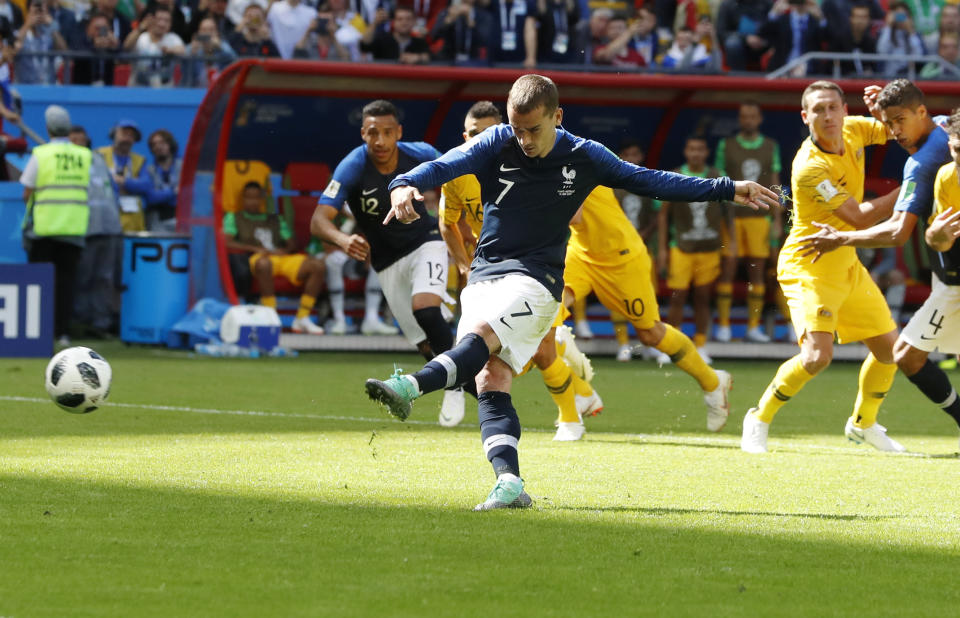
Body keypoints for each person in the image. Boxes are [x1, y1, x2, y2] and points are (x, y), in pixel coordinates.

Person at [365, 74, 776, 510]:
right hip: (485, 275)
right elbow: (443, 165)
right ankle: (509, 483)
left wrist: (728, 187)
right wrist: (403, 184)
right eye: (516, 128)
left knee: (480, 339)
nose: (522, 139)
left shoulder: (584, 155)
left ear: (557, 118)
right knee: (491, 379)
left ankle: (409, 386)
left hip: (537, 281)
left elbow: (650, 180)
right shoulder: (497, 141)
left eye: (533, 129)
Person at [740, 80, 903, 455]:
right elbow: (859, 217)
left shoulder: (855, 128)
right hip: (809, 264)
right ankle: (759, 417)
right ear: (805, 116)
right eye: (818, 110)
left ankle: (863, 424)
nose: (827, 116)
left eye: (833, 107)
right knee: (817, 357)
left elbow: (899, 127)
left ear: (845, 110)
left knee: (890, 352)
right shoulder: (808, 168)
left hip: (846, 260)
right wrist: (914, 187)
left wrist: (886, 104)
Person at [796, 80, 960, 450]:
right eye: (889, 123)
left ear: (921, 112)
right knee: (904, 352)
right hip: (946, 272)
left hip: (953, 278)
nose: (895, 131)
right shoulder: (944, 129)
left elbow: (897, 233)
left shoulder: (921, 165)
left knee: (904, 354)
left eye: (900, 120)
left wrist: (839, 239)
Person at [438, 99, 603, 439]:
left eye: (487, 133)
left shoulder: (532, 161)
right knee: (496, 355)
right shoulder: (458, 171)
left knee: (535, 352)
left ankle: (572, 418)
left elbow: (575, 214)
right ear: (464, 136)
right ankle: (581, 392)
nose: (479, 141)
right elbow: (447, 222)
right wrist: (462, 262)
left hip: (535, 267)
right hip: (488, 273)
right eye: (472, 134)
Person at [311, 99, 470, 421]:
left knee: (425, 308)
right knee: (427, 347)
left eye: (387, 132)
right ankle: (478, 389)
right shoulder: (353, 166)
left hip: (427, 241)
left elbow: (459, 179)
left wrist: (465, 225)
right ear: (362, 134)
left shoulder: (421, 154)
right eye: (372, 133)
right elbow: (318, 220)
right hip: (386, 262)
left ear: (399, 132)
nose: (380, 141)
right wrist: (342, 239)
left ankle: (454, 388)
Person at [20, 105, 91, 346]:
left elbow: (27, 191)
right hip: (74, 227)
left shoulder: (41, 154)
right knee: (67, 283)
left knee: (39, 284)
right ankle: (63, 333)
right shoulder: (84, 155)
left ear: (48, 128)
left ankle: (40, 331)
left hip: (45, 229)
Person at [715, 101, 782, 344]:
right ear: (740, 119)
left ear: (759, 118)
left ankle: (753, 327)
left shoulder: (770, 146)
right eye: (744, 116)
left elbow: (774, 181)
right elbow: (720, 180)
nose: (749, 120)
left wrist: (776, 218)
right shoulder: (727, 145)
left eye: (753, 116)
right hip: (733, 217)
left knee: (757, 271)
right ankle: (723, 326)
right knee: (729, 268)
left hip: (759, 216)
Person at [656, 135, 725, 365]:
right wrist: (663, 249)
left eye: (700, 149)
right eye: (691, 149)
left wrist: (731, 242)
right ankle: (672, 346)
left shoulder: (717, 175)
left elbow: (728, 213)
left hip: (710, 248)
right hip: (681, 248)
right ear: (686, 151)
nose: (696, 153)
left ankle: (701, 345)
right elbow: (663, 215)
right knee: (678, 297)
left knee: (703, 298)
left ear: (706, 152)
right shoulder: (675, 174)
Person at [225, 180, 327, 334]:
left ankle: (302, 318)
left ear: (262, 199)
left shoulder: (275, 219)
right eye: (248, 197)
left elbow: (292, 243)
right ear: (243, 199)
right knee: (264, 264)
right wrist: (254, 249)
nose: (252, 201)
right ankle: (270, 315)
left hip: (281, 258)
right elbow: (227, 242)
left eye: (256, 197)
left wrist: (284, 250)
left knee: (318, 266)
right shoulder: (234, 217)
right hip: (256, 259)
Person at [69, 125, 122, 339]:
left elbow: (111, 191)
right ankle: (80, 323)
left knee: (104, 278)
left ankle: (101, 324)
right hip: (83, 228)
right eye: (74, 141)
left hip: (109, 227)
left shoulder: (99, 160)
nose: (78, 144)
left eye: (81, 140)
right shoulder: (69, 163)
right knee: (82, 277)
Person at [124, 128, 181, 232]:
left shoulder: (183, 167)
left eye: (162, 142)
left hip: (180, 219)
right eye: (154, 144)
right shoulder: (148, 171)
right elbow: (152, 197)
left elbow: (187, 195)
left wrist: (163, 194)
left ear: (170, 144)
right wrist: (173, 192)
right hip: (156, 223)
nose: (158, 147)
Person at [96, 118, 148, 232]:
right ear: (114, 134)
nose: (127, 139)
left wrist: (124, 182)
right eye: (124, 134)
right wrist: (126, 185)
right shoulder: (100, 155)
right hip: (104, 221)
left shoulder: (139, 160)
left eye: (131, 136)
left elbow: (145, 185)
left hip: (132, 222)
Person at [123, 6, 186, 87]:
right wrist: (141, 27)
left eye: (166, 21)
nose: (162, 24)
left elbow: (182, 50)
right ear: (151, 20)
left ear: (170, 24)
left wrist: (170, 50)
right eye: (159, 19)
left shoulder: (173, 38)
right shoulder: (141, 37)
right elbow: (126, 46)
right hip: (139, 89)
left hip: (165, 91)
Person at [15, 0, 68, 85]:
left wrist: (52, 26)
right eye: (36, 8)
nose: (39, 12)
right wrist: (27, 25)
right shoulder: (22, 33)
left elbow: (64, 51)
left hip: (48, 89)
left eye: (42, 8)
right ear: (28, 11)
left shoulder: (50, 34)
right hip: (25, 89)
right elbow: (13, 49)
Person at [359, 5, 430, 63]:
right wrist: (375, 23)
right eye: (400, 19)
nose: (404, 23)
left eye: (408, 19)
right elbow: (365, 45)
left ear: (414, 22)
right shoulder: (382, 39)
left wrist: (419, 57)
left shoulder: (420, 42)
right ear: (393, 22)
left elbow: (432, 57)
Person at [182, 15, 236, 87]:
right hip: (195, 91)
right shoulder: (193, 47)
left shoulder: (222, 45)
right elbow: (182, 59)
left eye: (211, 30)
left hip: (219, 91)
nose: (208, 33)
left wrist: (220, 47)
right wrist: (192, 51)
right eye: (204, 30)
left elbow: (235, 59)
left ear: (217, 32)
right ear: (199, 33)